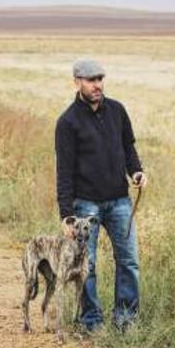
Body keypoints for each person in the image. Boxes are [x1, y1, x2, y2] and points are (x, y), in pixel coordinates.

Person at [55, 58, 147, 332]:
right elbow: (64, 172)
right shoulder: (67, 122)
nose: (97, 85)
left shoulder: (117, 111)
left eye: (100, 79)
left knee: (129, 261)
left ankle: (126, 320)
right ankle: (91, 321)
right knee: (87, 265)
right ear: (77, 82)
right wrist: (66, 215)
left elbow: (128, 147)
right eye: (91, 80)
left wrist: (137, 172)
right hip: (86, 205)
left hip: (120, 200)